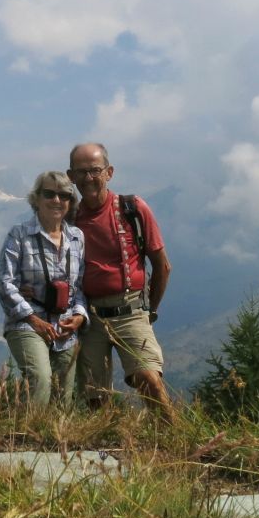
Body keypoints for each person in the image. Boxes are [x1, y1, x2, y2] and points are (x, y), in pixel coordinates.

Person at [68, 143, 175, 421]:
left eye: (94, 170)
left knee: (148, 379)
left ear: (109, 172)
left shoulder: (132, 208)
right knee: (94, 396)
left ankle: (176, 440)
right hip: (89, 316)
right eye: (81, 172)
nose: (88, 178)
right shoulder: (70, 218)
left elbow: (162, 266)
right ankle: (104, 452)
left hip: (130, 309)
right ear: (70, 176)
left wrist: (149, 309)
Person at [0, 171, 88, 407]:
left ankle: (56, 442)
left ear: (70, 201)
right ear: (36, 198)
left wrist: (78, 316)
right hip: (27, 323)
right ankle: (27, 437)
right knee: (39, 379)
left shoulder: (77, 238)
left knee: (62, 398)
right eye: (49, 193)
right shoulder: (19, 235)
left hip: (65, 328)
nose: (57, 200)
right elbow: (5, 283)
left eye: (64, 195)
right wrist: (33, 319)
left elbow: (79, 286)